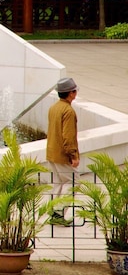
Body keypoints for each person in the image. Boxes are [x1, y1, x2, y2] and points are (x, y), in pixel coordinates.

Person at [46, 77, 79, 227]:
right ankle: (59, 212)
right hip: (62, 154)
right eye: (74, 91)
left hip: (52, 152)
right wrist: (73, 155)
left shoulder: (54, 107)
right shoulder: (68, 111)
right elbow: (68, 136)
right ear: (71, 93)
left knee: (58, 182)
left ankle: (53, 211)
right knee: (73, 181)